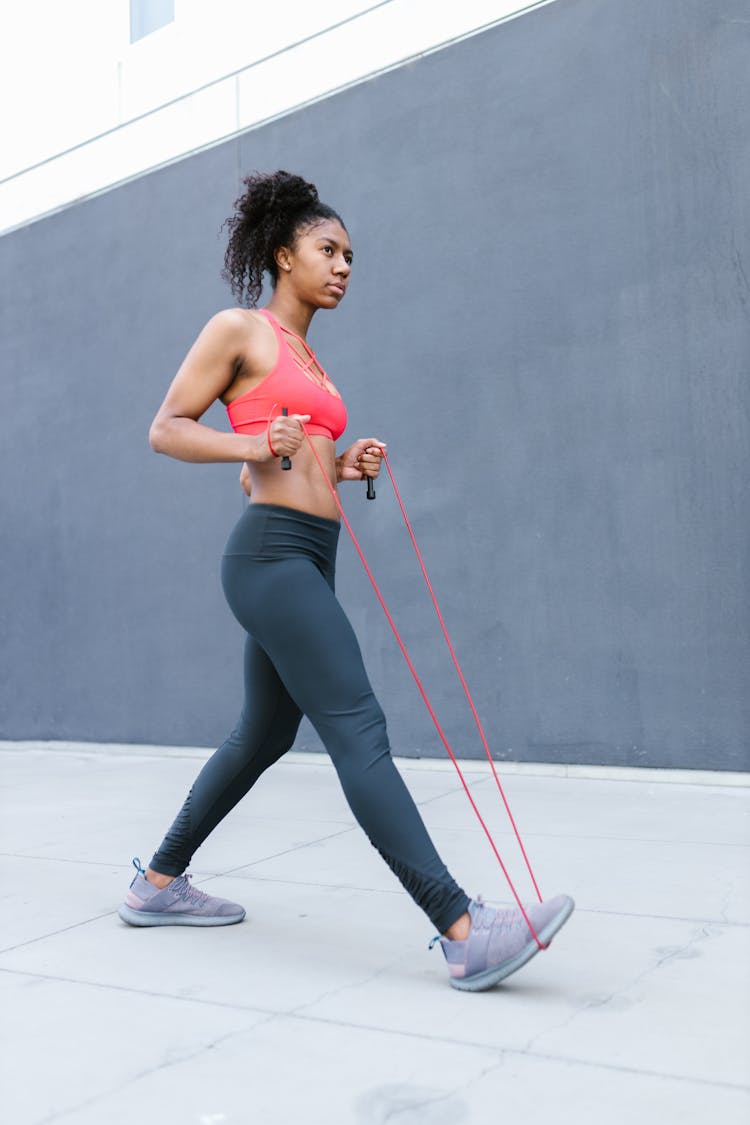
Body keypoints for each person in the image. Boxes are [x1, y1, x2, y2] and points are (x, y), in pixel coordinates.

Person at [118, 170, 574, 991]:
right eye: (328, 250)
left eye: (351, 256)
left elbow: (299, 448)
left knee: (263, 734)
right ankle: (463, 927)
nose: (344, 267)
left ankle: (156, 881)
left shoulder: (308, 360)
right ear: (284, 254)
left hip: (308, 554)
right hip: (270, 556)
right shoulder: (241, 329)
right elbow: (167, 429)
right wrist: (254, 448)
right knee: (357, 725)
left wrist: (346, 458)